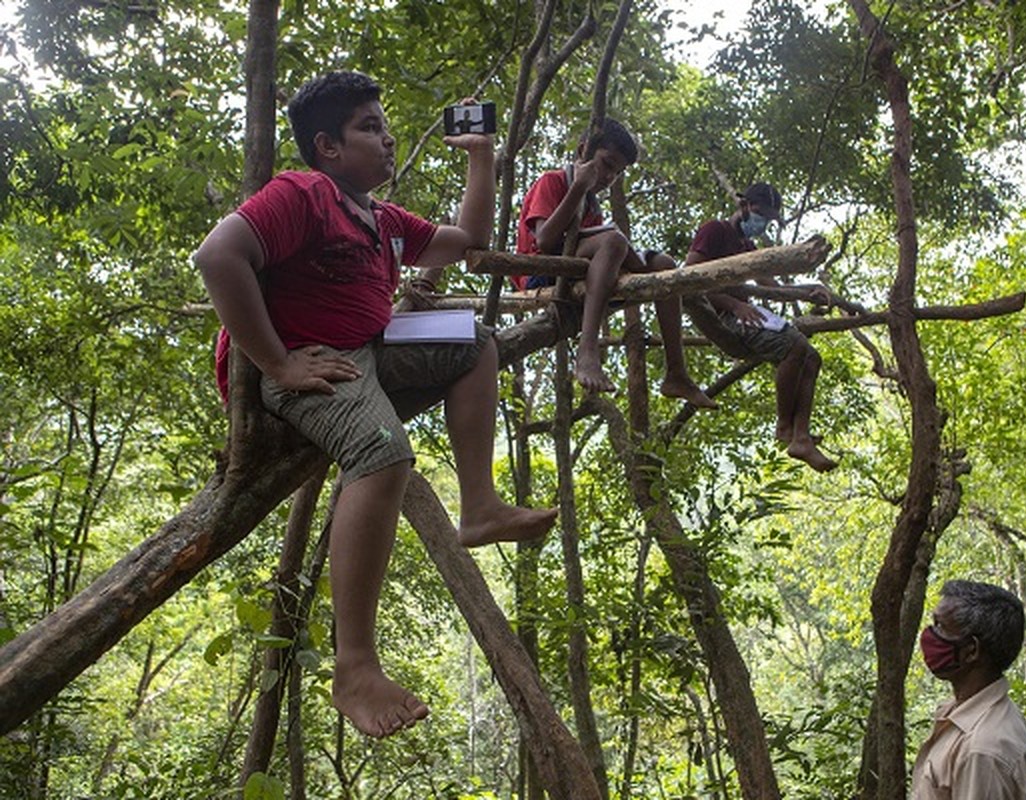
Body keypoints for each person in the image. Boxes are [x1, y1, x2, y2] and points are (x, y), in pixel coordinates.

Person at [192, 71, 558, 738]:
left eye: (384, 126)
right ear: (327, 146)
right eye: (369, 127)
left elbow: (467, 240)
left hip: (369, 346)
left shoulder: (382, 218)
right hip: (309, 358)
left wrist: (481, 156)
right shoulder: (303, 193)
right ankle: (354, 665)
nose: (387, 138)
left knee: (475, 340)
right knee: (381, 451)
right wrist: (276, 361)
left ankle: (477, 506)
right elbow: (219, 257)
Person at [514, 118, 716, 407]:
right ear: (583, 151)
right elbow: (545, 240)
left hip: (576, 271)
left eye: (618, 172)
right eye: (607, 164)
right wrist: (577, 190)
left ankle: (676, 371)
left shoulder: (593, 205)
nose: (610, 176)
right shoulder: (554, 181)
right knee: (614, 241)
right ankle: (588, 350)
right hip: (541, 274)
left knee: (665, 264)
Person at [685, 182, 836, 472]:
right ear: (745, 207)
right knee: (792, 348)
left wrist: (806, 291)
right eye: (761, 216)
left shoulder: (747, 247)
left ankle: (801, 436)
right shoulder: (715, 230)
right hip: (723, 316)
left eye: (768, 219)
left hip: (746, 313)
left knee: (812, 357)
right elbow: (688, 281)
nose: (763, 223)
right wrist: (734, 305)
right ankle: (784, 427)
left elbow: (772, 286)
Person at [911, 580, 1026, 799]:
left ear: (971, 650)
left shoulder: (983, 751)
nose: (929, 635)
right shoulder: (967, 715)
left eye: (940, 626)